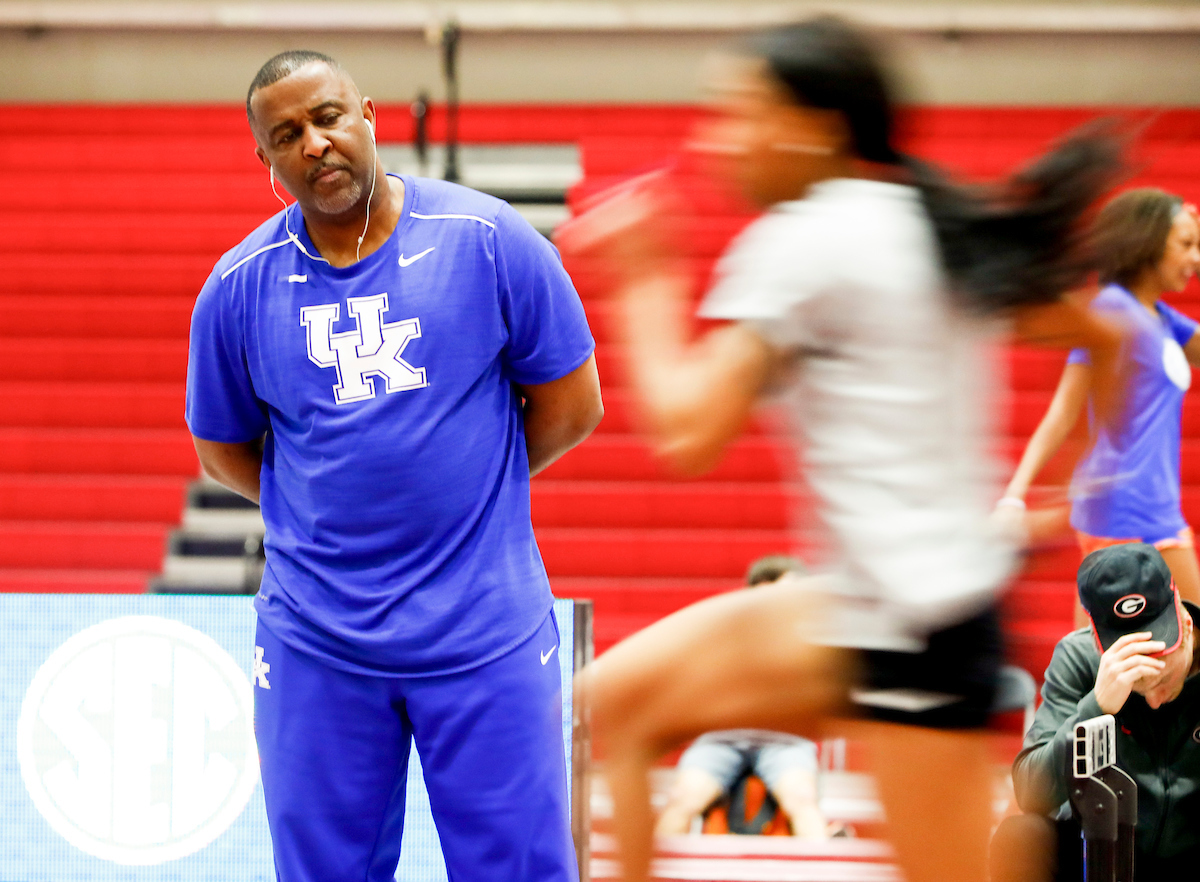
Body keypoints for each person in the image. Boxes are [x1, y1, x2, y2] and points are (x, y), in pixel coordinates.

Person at [563, 16, 1127, 882]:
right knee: (611, 707)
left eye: (740, 114)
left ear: (816, 127)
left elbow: (688, 429)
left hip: (913, 634)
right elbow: (1104, 337)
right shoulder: (926, 224)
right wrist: (1092, 485)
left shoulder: (808, 239)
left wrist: (646, 275)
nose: (719, 141)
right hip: (857, 609)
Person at [185, 51, 602, 882]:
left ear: (369, 114)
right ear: (265, 157)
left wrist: (473, 495)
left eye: (330, 117)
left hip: (485, 631)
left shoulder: (487, 239)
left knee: (518, 870)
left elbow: (572, 404)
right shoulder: (236, 288)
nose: (316, 144)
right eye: (287, 134)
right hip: (318, 641)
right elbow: (225, 451)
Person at [1001, 188, 1200, 606]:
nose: (1195, 259)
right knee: (1114, 651)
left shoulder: (1163, 319)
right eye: (1185, 244)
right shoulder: (1111, 310)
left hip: (1155, 509)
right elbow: (1063, 411)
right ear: (1148, 240)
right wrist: (1015, 496)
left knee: (1100, 653)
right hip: (1123, 509)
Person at [991, 543, 1200, 881]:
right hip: (1102, 849)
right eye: (1139, 685)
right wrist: (1095, 708)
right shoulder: (1078, 659)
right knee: (1021, 836)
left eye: (1164, 677)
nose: (1155, 702)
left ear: (1186, 623)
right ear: (1100, 642)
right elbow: (1032, 793)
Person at [655, 556, 831, 839]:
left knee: (802, 799)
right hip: (722, 740)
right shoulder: (722, 631)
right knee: (681, 799)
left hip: (785, 742)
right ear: (761, 588)